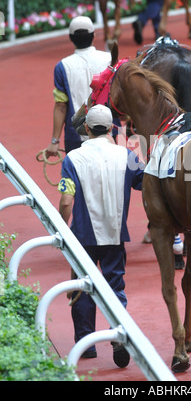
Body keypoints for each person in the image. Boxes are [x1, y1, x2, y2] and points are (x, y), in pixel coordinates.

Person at [58, 104, 144, 367]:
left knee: (83, 288)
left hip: (82, 237)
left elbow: (65, 201)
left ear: (86, 129)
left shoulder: (71, 159)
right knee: (115, 288)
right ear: (111, 128)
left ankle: (86, 344)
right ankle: (119, 332)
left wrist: (62, 231)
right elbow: (145, 182)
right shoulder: (127, 155)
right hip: (116, 235)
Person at [45, 16, 111, 158]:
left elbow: (61, 106)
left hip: (76, 138)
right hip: (110, 132)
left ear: (71, 38)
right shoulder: (110, 60)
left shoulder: (62, 67)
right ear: (93, 35)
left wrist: (54, 141)